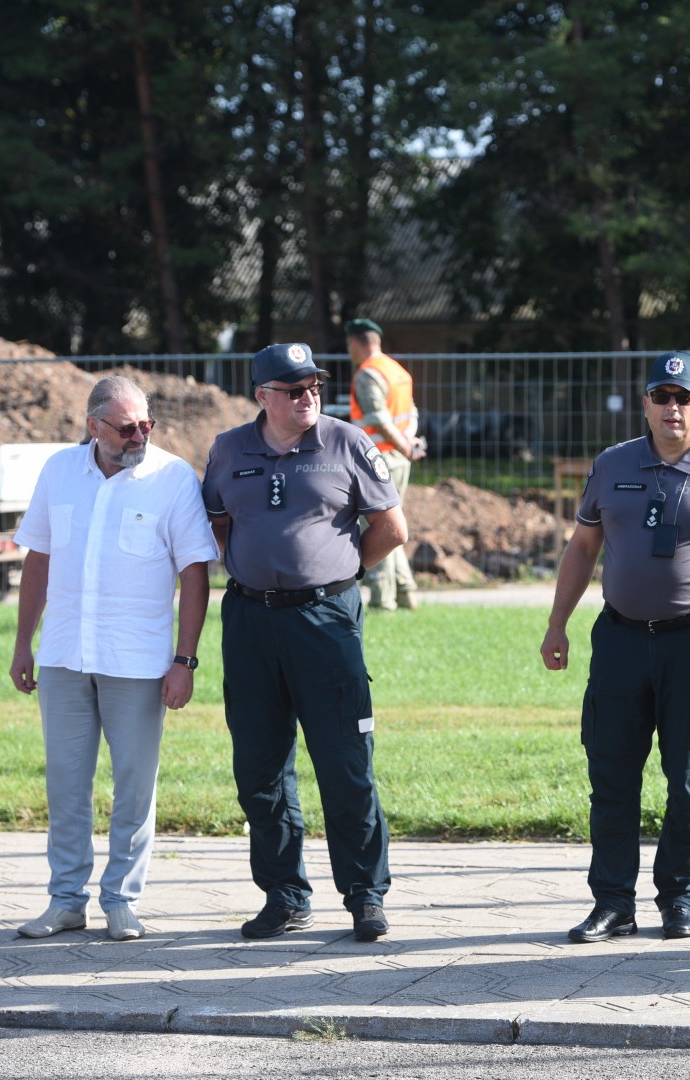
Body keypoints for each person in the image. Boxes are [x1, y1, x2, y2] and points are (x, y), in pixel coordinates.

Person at [541, 352, 690, 942]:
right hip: (620, 640)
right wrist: (557, 624)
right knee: (612, 776)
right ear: (646, 404)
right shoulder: (612, 464)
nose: (672, 408)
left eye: (684, 398)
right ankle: (613, 903)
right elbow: (582, 547)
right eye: (662, 397)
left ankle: (678, 900)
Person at [202, 342, 408, 942]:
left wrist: (339, 572)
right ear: (262, 396)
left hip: (325, 621)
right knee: (259, 766)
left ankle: (365, 895)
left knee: (345, 762)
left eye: (314, 386)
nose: (308, 397)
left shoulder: (347, 443)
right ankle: (285, 895)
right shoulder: (228, 449)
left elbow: (391, 528)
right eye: (294, 390)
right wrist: (254, 567)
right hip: (250, 621)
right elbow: (215, 524)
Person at [8, 376, 218, 942]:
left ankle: (122, 899)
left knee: (134, 785)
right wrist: (24, 643)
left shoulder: (173, 478)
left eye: (146, 424)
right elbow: (38, 560)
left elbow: (195, 574)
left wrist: (185, 661)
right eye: (126, 428)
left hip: (138, 662)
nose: (139, 436)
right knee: (65, 785)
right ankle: (65, 900)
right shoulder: (59, 472)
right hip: (64, 655)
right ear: (93, 426)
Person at [346, 317, 425, 612]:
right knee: (393, 524)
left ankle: (382, 600)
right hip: (399, 458)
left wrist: (402, 445)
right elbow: (411, 412)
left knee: (377, 526)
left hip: (377, 459)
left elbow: (378, 418)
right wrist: (408, 442)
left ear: (355, 343)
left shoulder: (368, 373)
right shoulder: (397, 370)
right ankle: (406, 593)